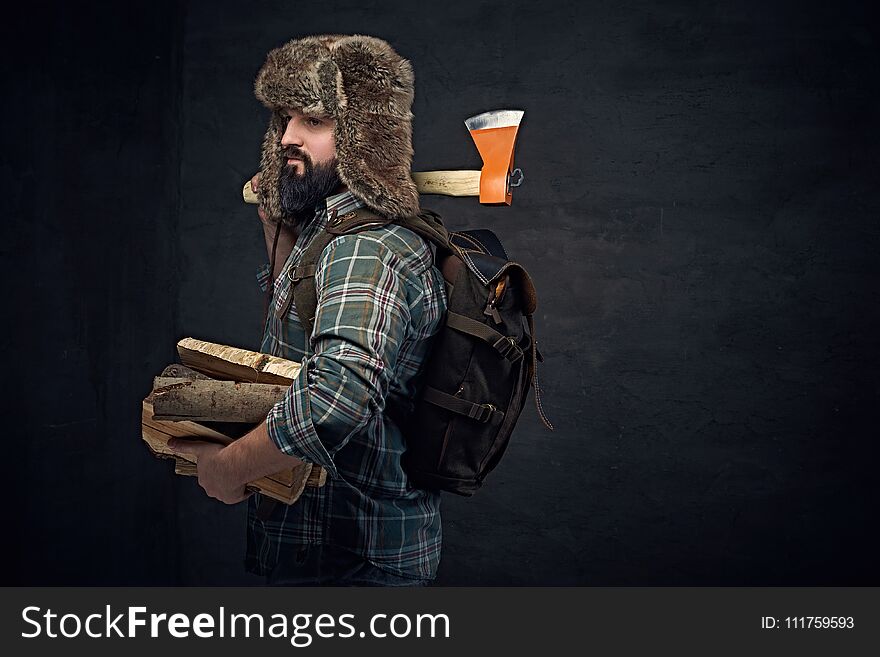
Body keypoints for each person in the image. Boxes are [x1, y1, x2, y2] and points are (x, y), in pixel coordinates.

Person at [168, 34, 447, 586]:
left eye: (314, 121)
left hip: (351, 562)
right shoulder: (330, 229)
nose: (289, 136)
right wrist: (277, 227)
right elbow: (298, 332)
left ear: (365, 136)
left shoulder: (367, 247)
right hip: (324, 549)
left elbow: (335, 399)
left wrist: (228, 468)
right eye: (286, 118)